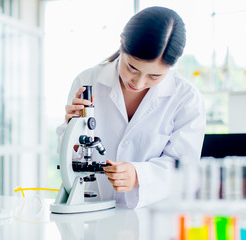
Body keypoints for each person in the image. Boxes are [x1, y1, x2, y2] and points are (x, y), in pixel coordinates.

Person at [56, 6, 206, 208]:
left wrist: (138, 175)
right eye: (132, 68)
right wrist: (71, 130)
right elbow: (69, 158)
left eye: (155, 76)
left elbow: (185, 171)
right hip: (92, 213)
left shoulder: (186, 99)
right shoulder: (87, 81)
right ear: (121, 43)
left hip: (153, 219)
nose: (139, 82)